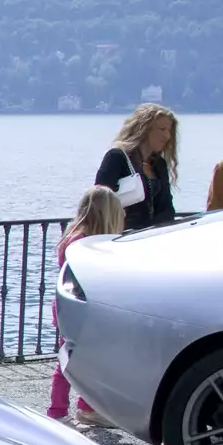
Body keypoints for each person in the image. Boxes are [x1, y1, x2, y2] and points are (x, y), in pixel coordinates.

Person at [50, 186, 126, 424]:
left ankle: (82, 408)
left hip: (72, 306)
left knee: (80, 360)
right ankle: (59, 411)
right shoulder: (84, 244)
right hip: (80, 309)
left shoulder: (74, 238)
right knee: (70, 362)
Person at [95, 103, 177, 231]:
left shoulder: (159, 164)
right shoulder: (117, 158)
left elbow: (167, 209)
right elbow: (99, 202)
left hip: (154, 236)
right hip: (121, 237)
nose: (167, 136)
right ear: (143, 129)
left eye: (169, 130)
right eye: (162, 129)